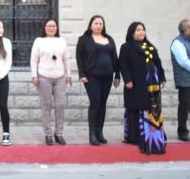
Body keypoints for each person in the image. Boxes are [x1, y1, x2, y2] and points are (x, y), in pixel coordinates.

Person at [119, 22, 167, 155]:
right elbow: (123, 64)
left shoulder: (150, 47)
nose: (141, 32)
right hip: (135, 84)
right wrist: (127, 79)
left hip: (152, 85)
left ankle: (153, 136)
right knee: (136, 108)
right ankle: (135, 137)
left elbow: (157, 62)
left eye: (143, 30)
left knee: (151, 108)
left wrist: (162, 77)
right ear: (132, 33)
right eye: (138, 30)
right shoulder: (126, 47)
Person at [76, 15, 120, 146]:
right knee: (95, 104)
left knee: (102, 104)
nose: (98, 26)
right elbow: (79, 58)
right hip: (92, 76)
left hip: (107, 76)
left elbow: (115, 57)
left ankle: (100, 132)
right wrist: (82, 74)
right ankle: (92, 134)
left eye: (101, 23)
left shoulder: (109, 39)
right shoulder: (84, 39)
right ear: (91, 25)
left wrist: (117, 74)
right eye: (96, 23)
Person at [31, 19, 71, 146]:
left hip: (60, 77)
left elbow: (66, 59)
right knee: (46, 105)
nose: (51, 28)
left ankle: (58, 133)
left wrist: (69, 74)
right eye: (49, 26)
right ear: (44, 27)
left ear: (57, 28)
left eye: (54, 26)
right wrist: (34, 75)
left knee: (60, 105)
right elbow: (34, 60)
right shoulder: (39, 41)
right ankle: (48, 134)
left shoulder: (62, 41)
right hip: (44, 77)